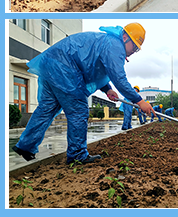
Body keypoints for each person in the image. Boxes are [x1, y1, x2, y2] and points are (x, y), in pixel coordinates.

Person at [11, 23, 156, 165]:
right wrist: (139, 101)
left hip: (51, 63)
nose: (134, 50)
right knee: (78, 110)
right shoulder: (115, 45)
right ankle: (77, 155)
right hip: (64, 67)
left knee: (46, 109)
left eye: (137, 49)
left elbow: (93, 66)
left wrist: (107, 89)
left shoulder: (106, 42)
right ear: (125, 37)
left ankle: (25, 146)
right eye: (135, 46)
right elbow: (119, 78)